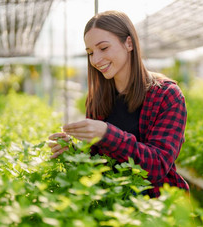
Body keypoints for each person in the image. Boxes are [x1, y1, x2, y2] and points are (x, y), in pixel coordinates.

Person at [48, 10, 189, 198]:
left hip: (158, 208)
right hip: (112, 205)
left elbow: (157, 166)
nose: (95, 60)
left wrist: (106, 134)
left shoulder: (167, 96)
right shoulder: (97, 99)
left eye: (103, 48)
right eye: (90, 53)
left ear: (129, 43)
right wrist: (73, 152)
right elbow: (97, 163)